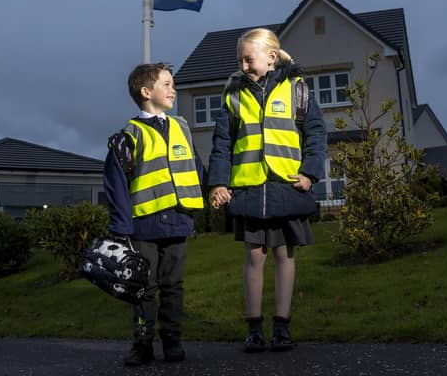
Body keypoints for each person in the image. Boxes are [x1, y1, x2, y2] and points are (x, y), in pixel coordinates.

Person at [208, 28, 326, 352]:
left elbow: (316, 135)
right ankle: (254, 329)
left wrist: (310, 175)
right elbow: (222, 143)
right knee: (254, 257)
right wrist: (219, 183)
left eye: (249, 59)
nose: (243, 66)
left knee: (284, 254)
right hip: (248, 189)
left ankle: (283, 327)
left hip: (287, 186)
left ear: (272, 57)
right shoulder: (233, 95)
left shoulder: (297, 90)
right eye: (240, 60)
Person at [104, 62, 205, 366]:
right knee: (144, 289)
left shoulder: (182, 127)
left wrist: (203, 197)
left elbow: (195, 167)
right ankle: (143, 344)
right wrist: (121, 226)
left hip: (177, 222)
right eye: (167, 84)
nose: (173, 89)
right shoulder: (128, 136)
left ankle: (172, 342)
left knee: (173, 286)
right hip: (144, 226)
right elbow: (116, 183)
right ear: (147, 92)